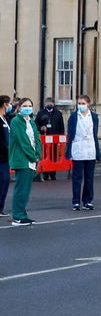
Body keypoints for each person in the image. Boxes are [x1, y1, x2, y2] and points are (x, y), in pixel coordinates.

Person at [7, 98, 42, 226]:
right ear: (19, 107)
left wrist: (38, 154)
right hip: (22, 159)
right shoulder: (16, 121)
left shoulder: (31, 121)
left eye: (30, 106)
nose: (28, 108)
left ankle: (22, 214)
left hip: (31, 159)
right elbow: (23, 141)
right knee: (21, 189)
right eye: (25, 106)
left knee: (26, 189)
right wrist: (33, 156)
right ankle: (18, 216)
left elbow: (36, 139)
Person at [66, 95, 100, 211]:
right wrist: (69, 150)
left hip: (90, 149)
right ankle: (76, 201)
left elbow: (95, 133)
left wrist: (97, 152)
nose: (80, 105)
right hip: (78, 149)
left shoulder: (94, 117)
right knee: (77, 177)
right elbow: (70, 134)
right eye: (79, 103)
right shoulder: (74, 116)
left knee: (89, 178)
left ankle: (87, 200)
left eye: (83, 103)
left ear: (88, 103)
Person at [35, 97, 65, 181]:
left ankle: (53, 174)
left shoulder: (58, 113)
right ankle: (45, 173)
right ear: (45, 104)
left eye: (50, 103)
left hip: (55, 139)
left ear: (53, 104)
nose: (49, 104)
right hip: (44, 140)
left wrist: (60, 139)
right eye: (47, 103)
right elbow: (35, 124)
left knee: (54, 156)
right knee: (45, 156)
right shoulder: (41, 113)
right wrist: (41, 128)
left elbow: (61, 127)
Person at [0, 96, 11, 217]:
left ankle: (1, 207)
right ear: (4, 104)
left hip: (6, 156)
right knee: (3, 180)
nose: (10, 106)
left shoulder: (5, 118)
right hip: (1, 155)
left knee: (5, 181)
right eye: (9, 104)